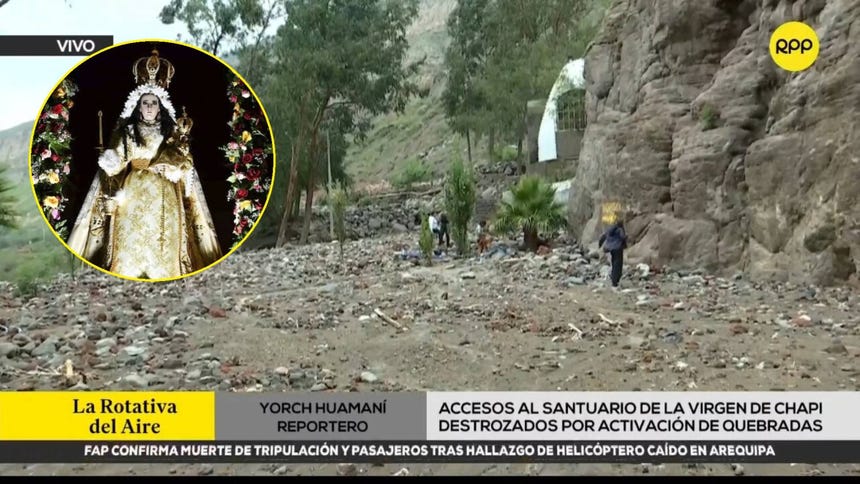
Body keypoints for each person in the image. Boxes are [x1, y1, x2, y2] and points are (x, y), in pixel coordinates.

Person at [67, 48, 222, 280]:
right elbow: (119, 158)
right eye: (145, 102)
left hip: (164, 194)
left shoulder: (171, 133)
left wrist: (172, 166)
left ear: (160, 107)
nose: (149, 107)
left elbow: (183, 161)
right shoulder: (129, 131)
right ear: (138, 106)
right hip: (133, 191)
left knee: (165, 239)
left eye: (153, 103)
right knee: (130, 238)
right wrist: (110, 161)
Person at [598, 219, 628, 287]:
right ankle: (615, 280)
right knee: (618, 264)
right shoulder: (620, 229)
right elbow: (623, 237)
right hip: (618, 248)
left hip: (611, 249)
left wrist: (600, 245)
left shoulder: (610, 229)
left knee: (614, 263)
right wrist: (627, 237)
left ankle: (613, 279)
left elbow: (603, 236)